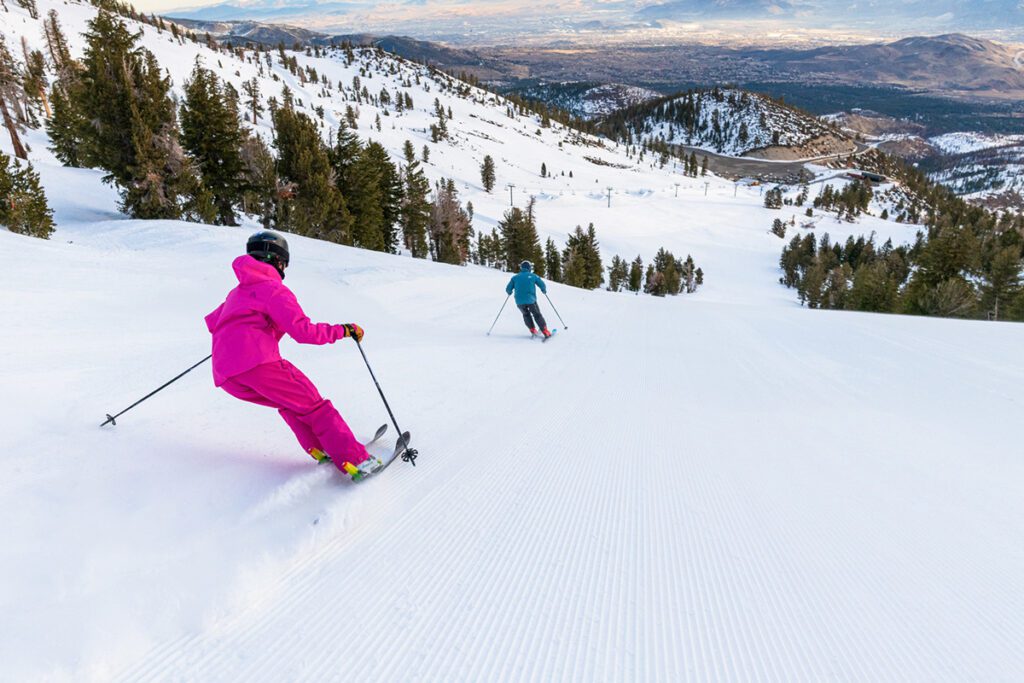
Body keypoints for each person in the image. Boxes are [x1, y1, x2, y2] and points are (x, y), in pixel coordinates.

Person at [204, 231, 379, 480]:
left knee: (290, 402)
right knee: (315, 406)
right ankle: (357, 461)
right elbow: (303, 332)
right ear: (278, 261)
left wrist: (237, 338)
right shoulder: (273, 290)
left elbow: (214, 322)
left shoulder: (237, 292)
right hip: (258, 363)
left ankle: (319, 449)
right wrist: (343, 330)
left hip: (226, 373)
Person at [506, 260, 551, 338]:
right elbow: (542, 284)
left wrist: (509, 292)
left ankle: (532, 330)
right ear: (529, 268)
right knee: (537, 314)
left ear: (521, 268)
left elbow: (508, 289)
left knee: (526, 315)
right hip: (531, 300)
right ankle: (545, 331)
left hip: (519, 301)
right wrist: (543, 290)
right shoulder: (533, 276)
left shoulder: (515, 277)